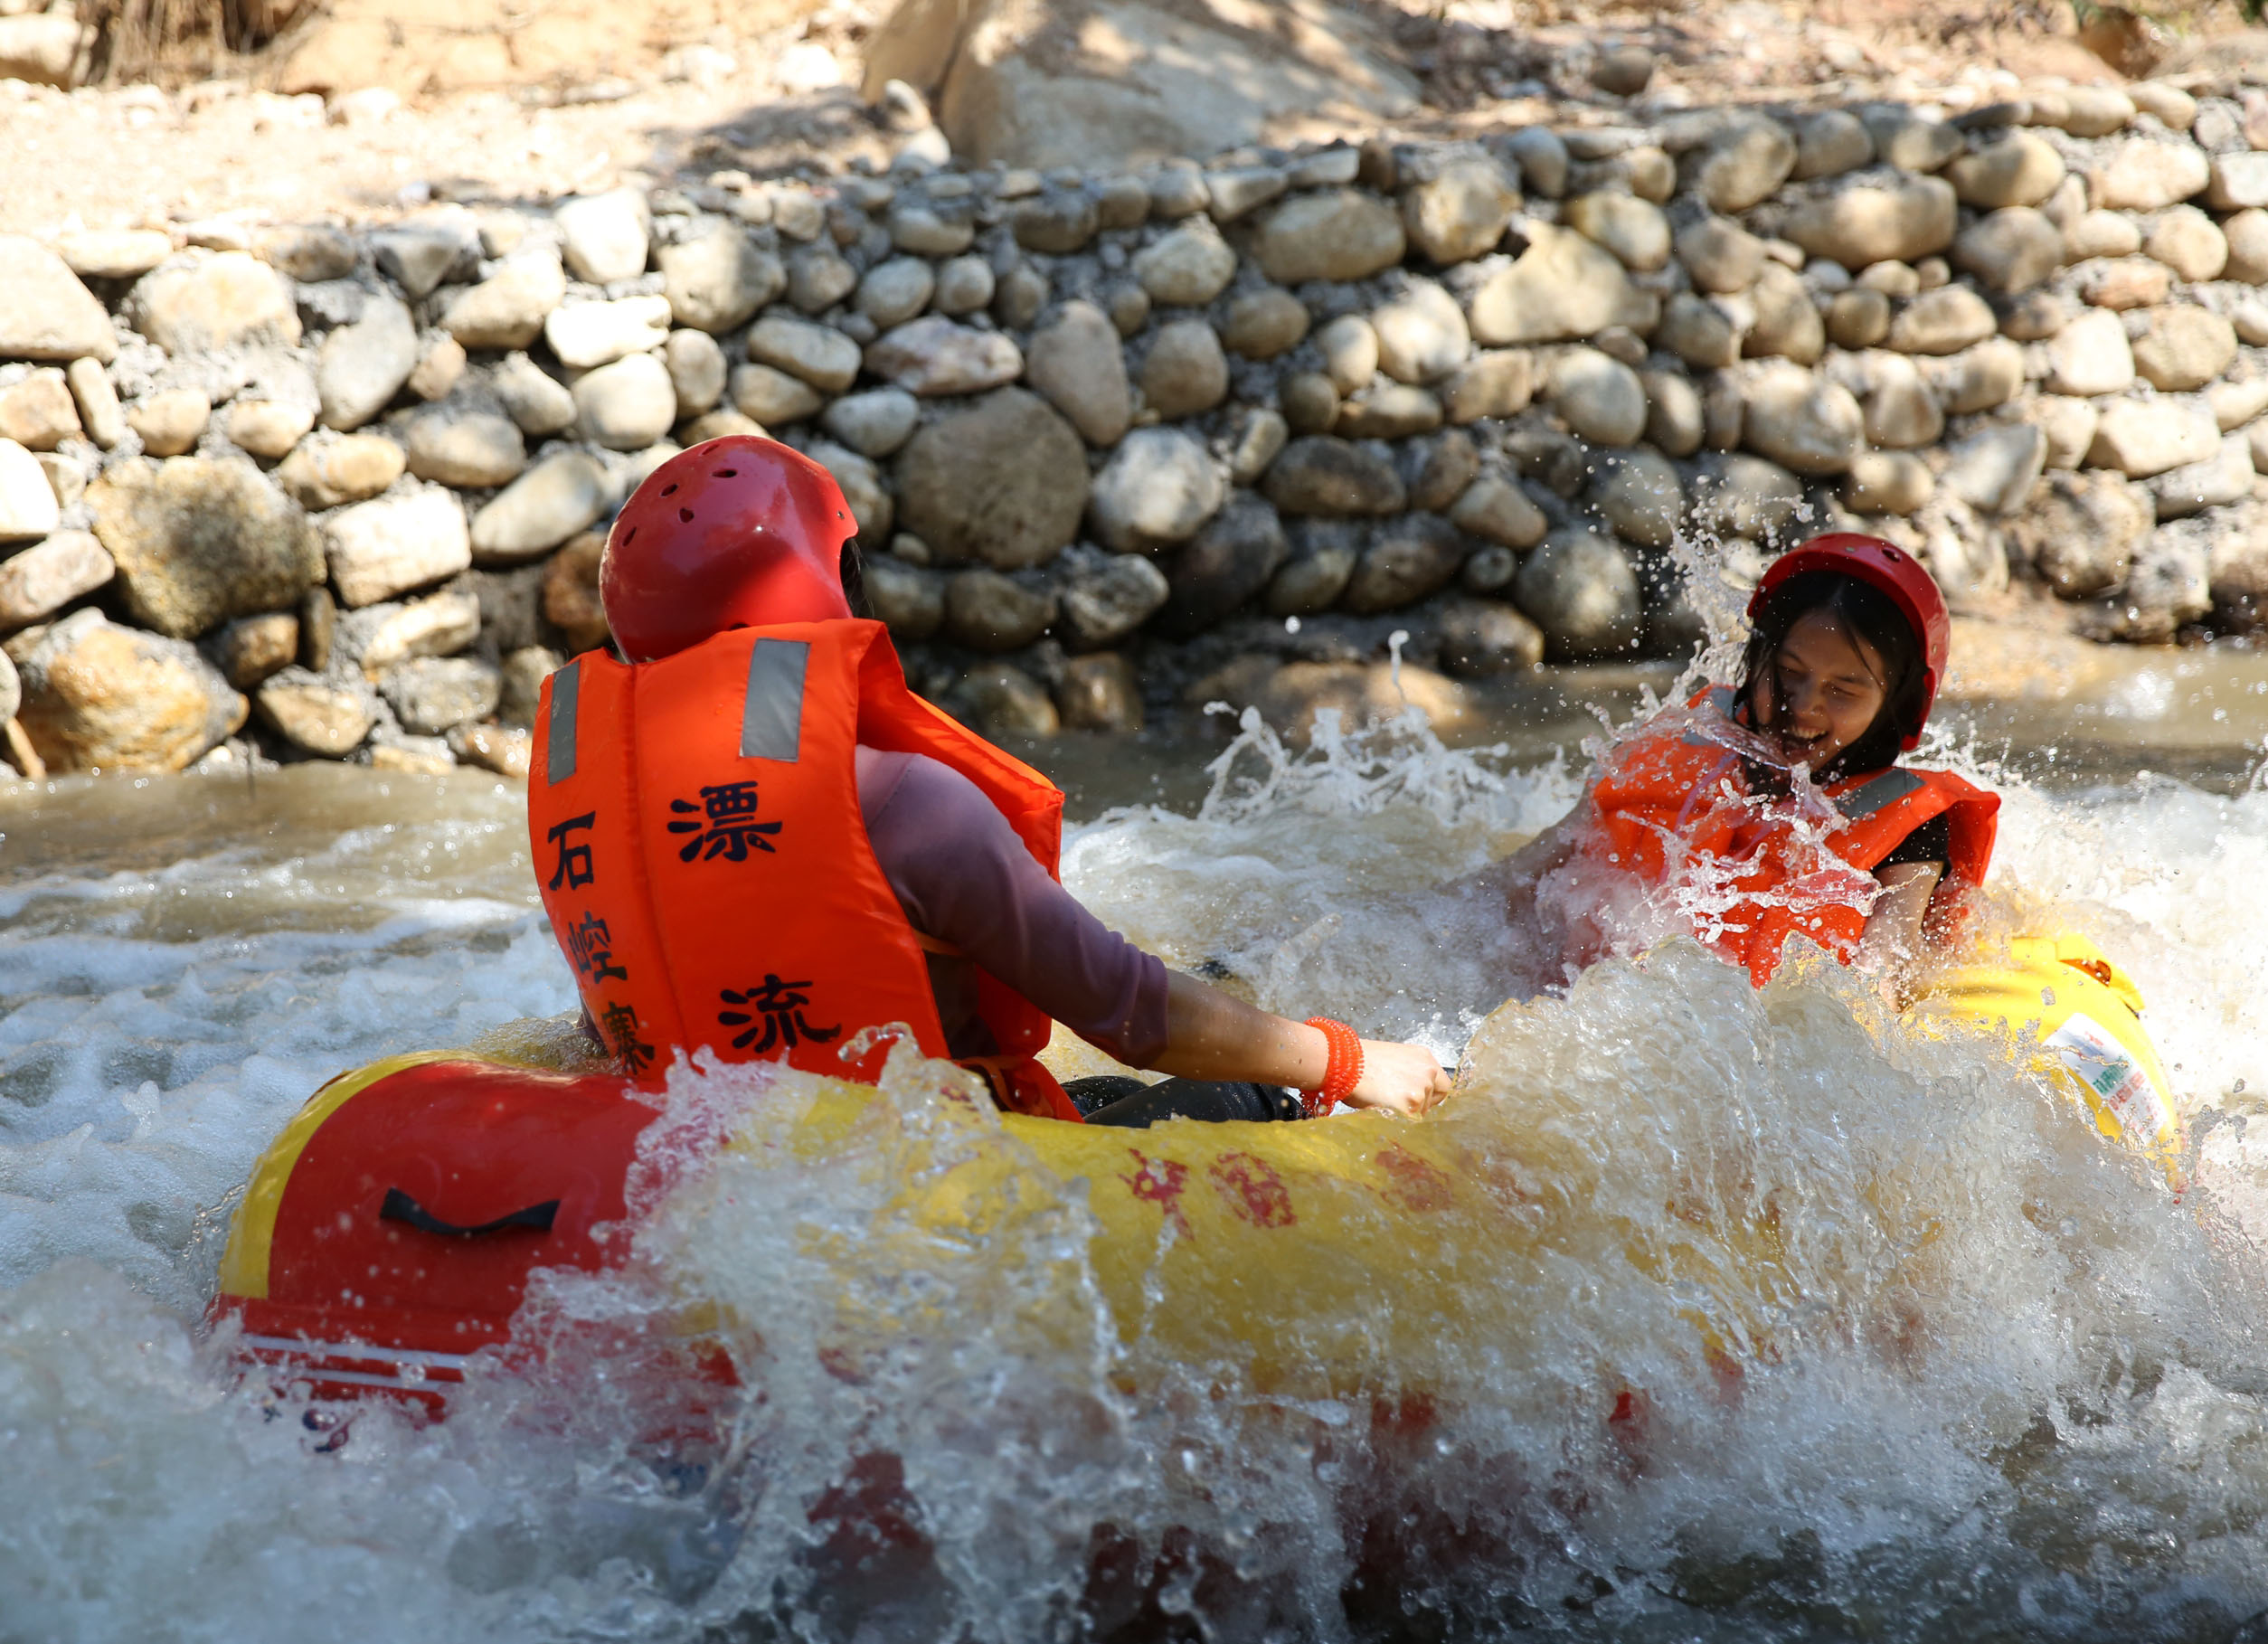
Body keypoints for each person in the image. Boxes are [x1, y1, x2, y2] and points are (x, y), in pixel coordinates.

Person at [524, 436, 1450, 1127]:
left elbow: (610, 1035)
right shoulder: (899, 799)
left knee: (1109, 1097)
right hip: (929, 1192)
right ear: (837, 578)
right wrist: (1346, 1059)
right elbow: (1127, 1008)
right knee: (1258, 1091)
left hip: (739, 1172)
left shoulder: (606, 822)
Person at [1497, 533, 2000, 995]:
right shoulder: (1684, 742)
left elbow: (1888, 972)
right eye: (1787, 672)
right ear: (1756, 659)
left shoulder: (1910, 828)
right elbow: (1533, 868)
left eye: (1843, 689)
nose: (1804, 705)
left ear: (1899, 702)